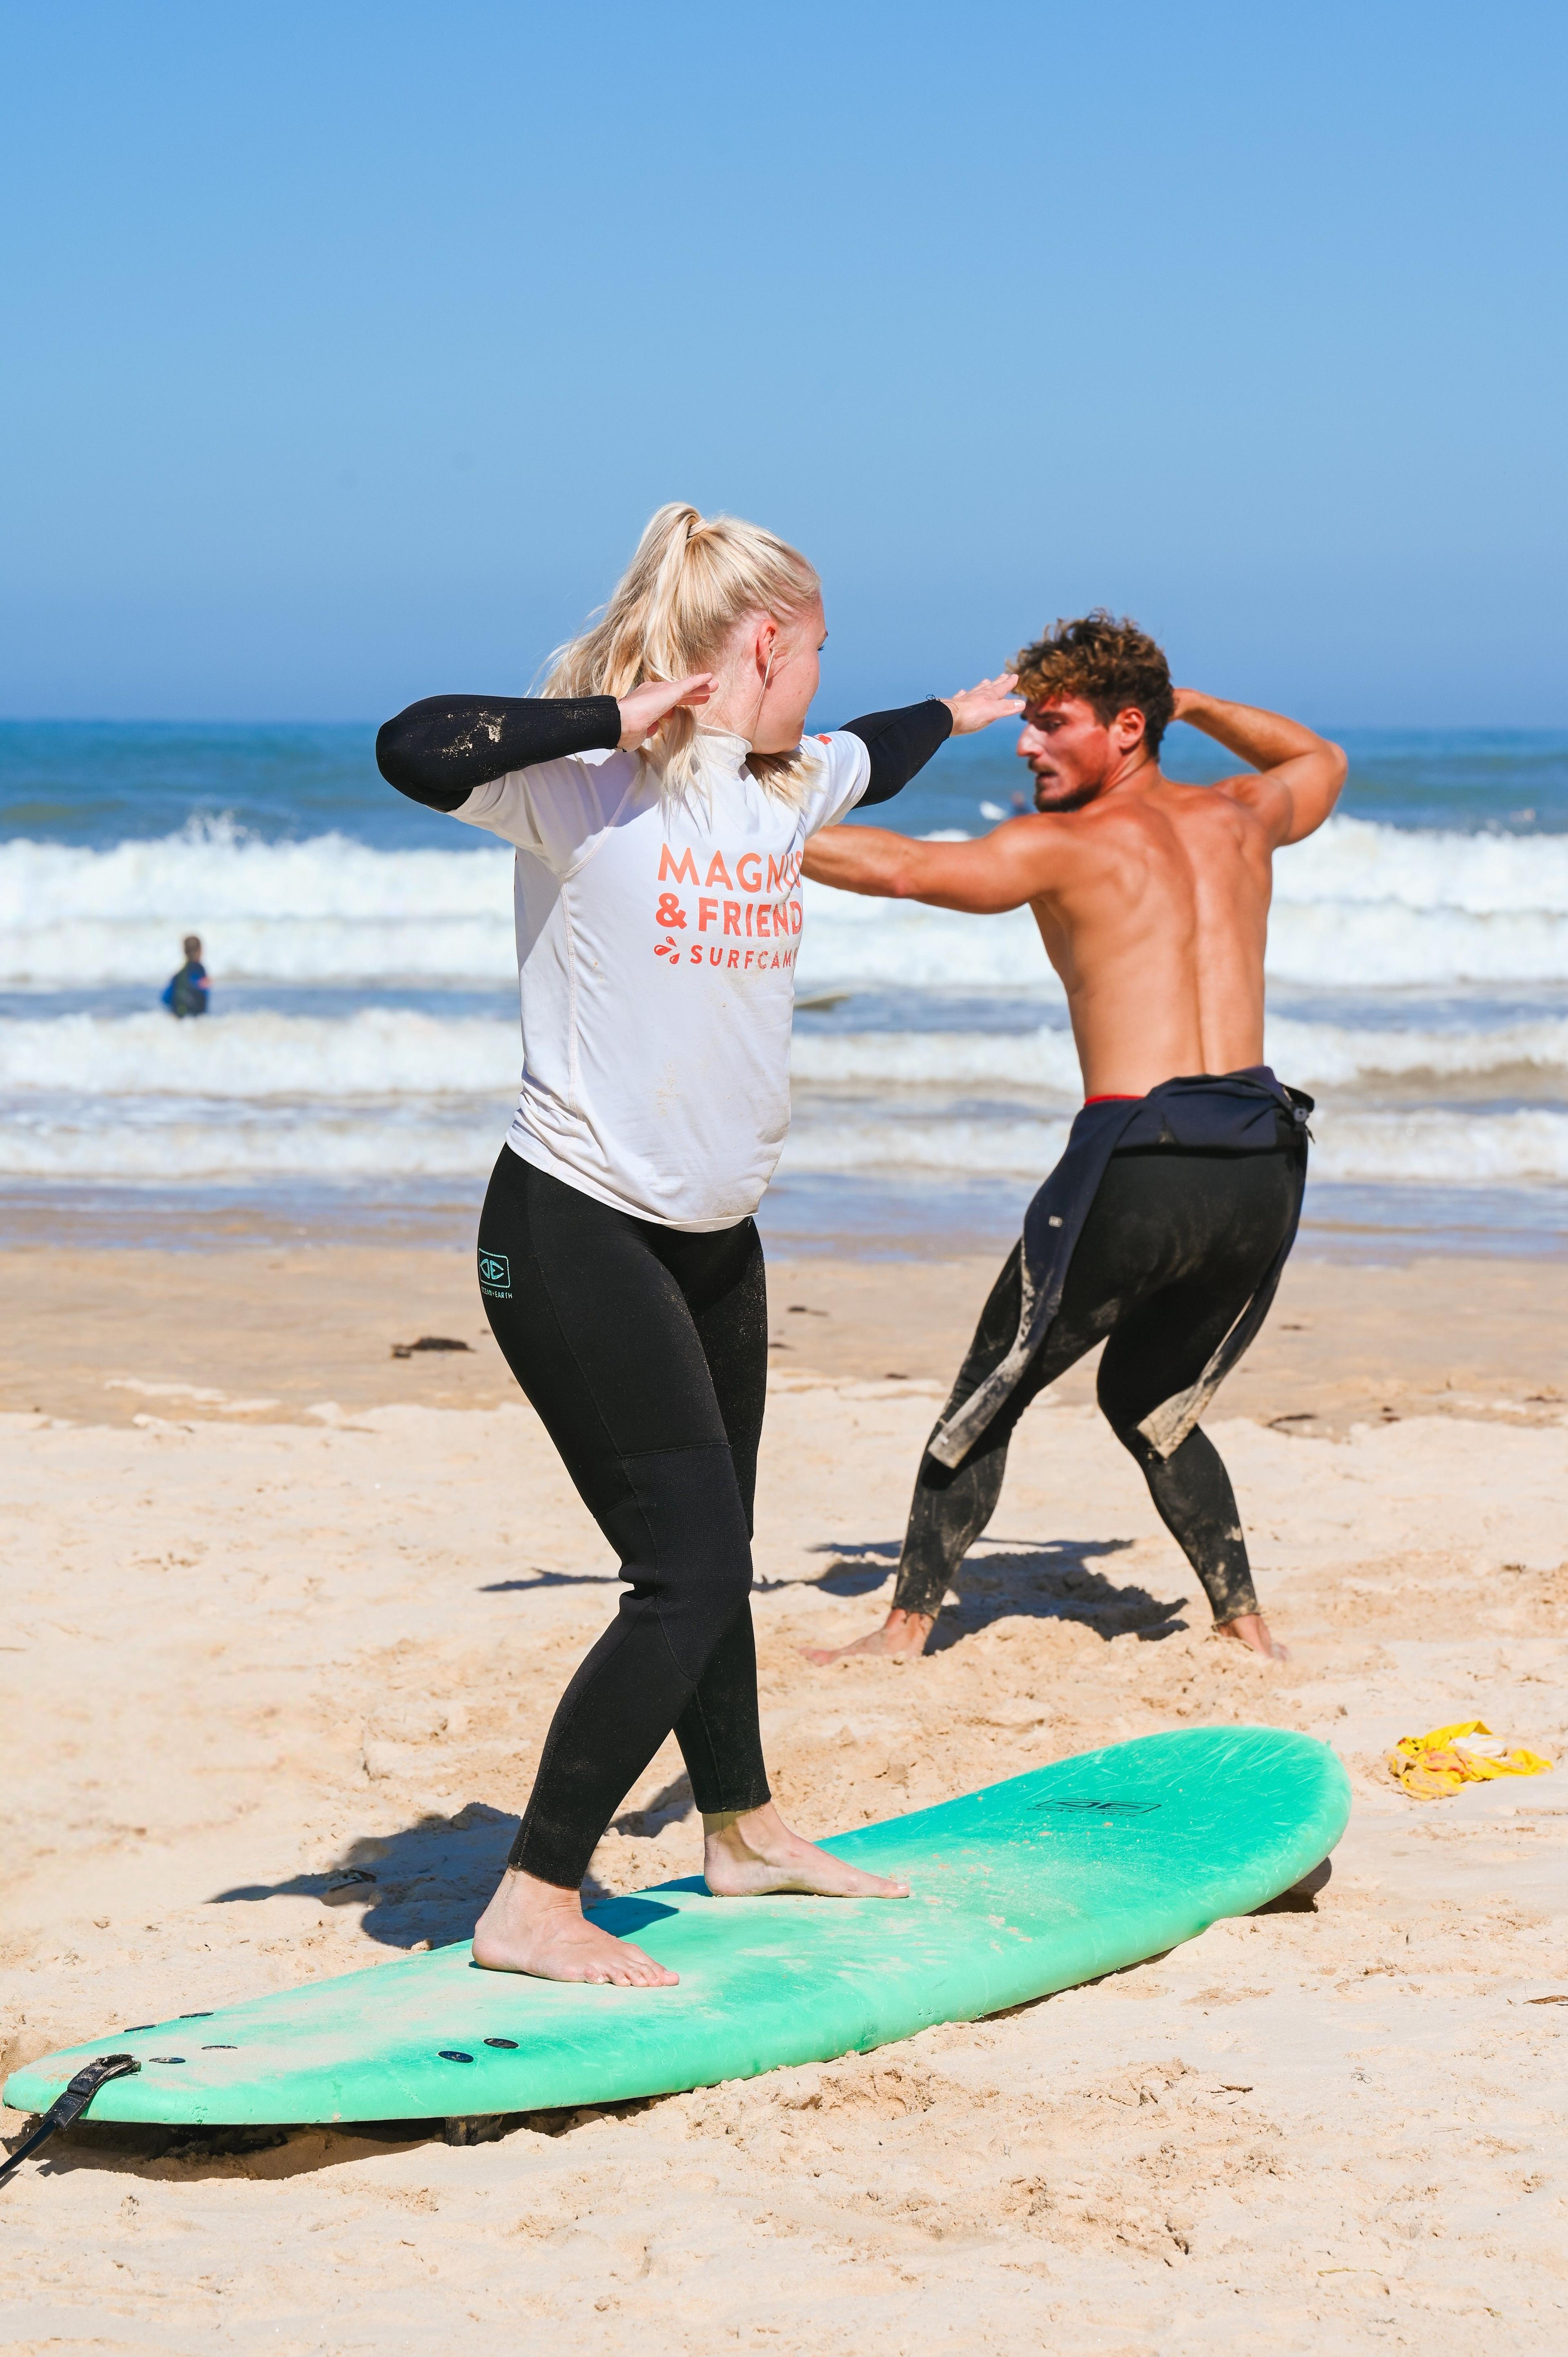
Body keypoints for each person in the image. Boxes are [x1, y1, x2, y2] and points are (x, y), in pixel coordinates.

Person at [375, 502, 1022, 1985]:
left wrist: (965, 711)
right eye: (817, 649)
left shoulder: (791, 784)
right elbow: (411, 745)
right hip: (572, 1227)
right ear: (770, 641)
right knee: (683, 1567)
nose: (823, 678)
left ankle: (739, 1826)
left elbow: (883, 740)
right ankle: (534, 1893)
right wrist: (618, 708)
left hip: (717, 1241)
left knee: (715, 1555)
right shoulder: (583, 787)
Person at [799, 611, 1346, 1670]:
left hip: (1142, 1159)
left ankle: (905, 1626)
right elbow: (1315, 758)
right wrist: (1192, 705)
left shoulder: (1063, 842)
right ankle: (1247, 1627)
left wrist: (728, 823)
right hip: (1262, 1160)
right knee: (1153, 1400)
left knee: (992, 1387)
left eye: (1051, 724)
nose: (1025, 745)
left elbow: (904, 869)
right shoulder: (1242, 814)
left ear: (1127, 727)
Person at [161, 934, 209, 1018]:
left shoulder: (178, 975)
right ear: (200, 951)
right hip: (197, 1018)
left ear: (184, 952)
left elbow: (165, 998)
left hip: (180, 1016)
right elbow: (203, 990)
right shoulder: (200, 970)